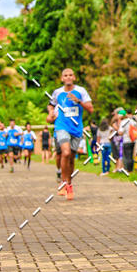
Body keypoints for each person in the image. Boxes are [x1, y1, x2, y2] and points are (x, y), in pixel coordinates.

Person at [47, 68, 93, 200]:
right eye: (65, 75)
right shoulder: (57, 92)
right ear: (62, 78)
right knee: (65, 153)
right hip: (61, 126)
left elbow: (90, 109)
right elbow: (50, 105)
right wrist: (51, 112)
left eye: (70, 75)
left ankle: (69, 184)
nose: (68, 77)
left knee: (71, 158)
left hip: (76, 129)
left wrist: (79, 102)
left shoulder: (81, 91)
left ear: (74, 77)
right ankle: (63, 181)